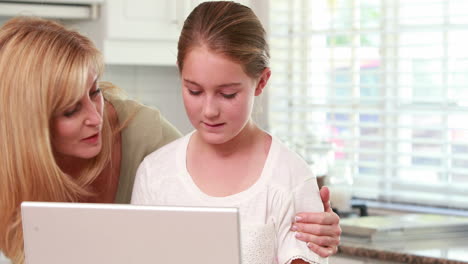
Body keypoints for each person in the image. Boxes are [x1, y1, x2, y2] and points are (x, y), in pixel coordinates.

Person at [0, 16, 340, 264]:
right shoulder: (156, 171)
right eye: (71, 110)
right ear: (28, 126)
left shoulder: (146, 138)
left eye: (95, 92)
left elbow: (203, 189)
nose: (95, 117)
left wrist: (317, 223)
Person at [131, 2, 338, 263]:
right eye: (194, 90)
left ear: (261, 82)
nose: (208, 110)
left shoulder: (291, 179)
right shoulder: (154, 174)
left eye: (227, 94)